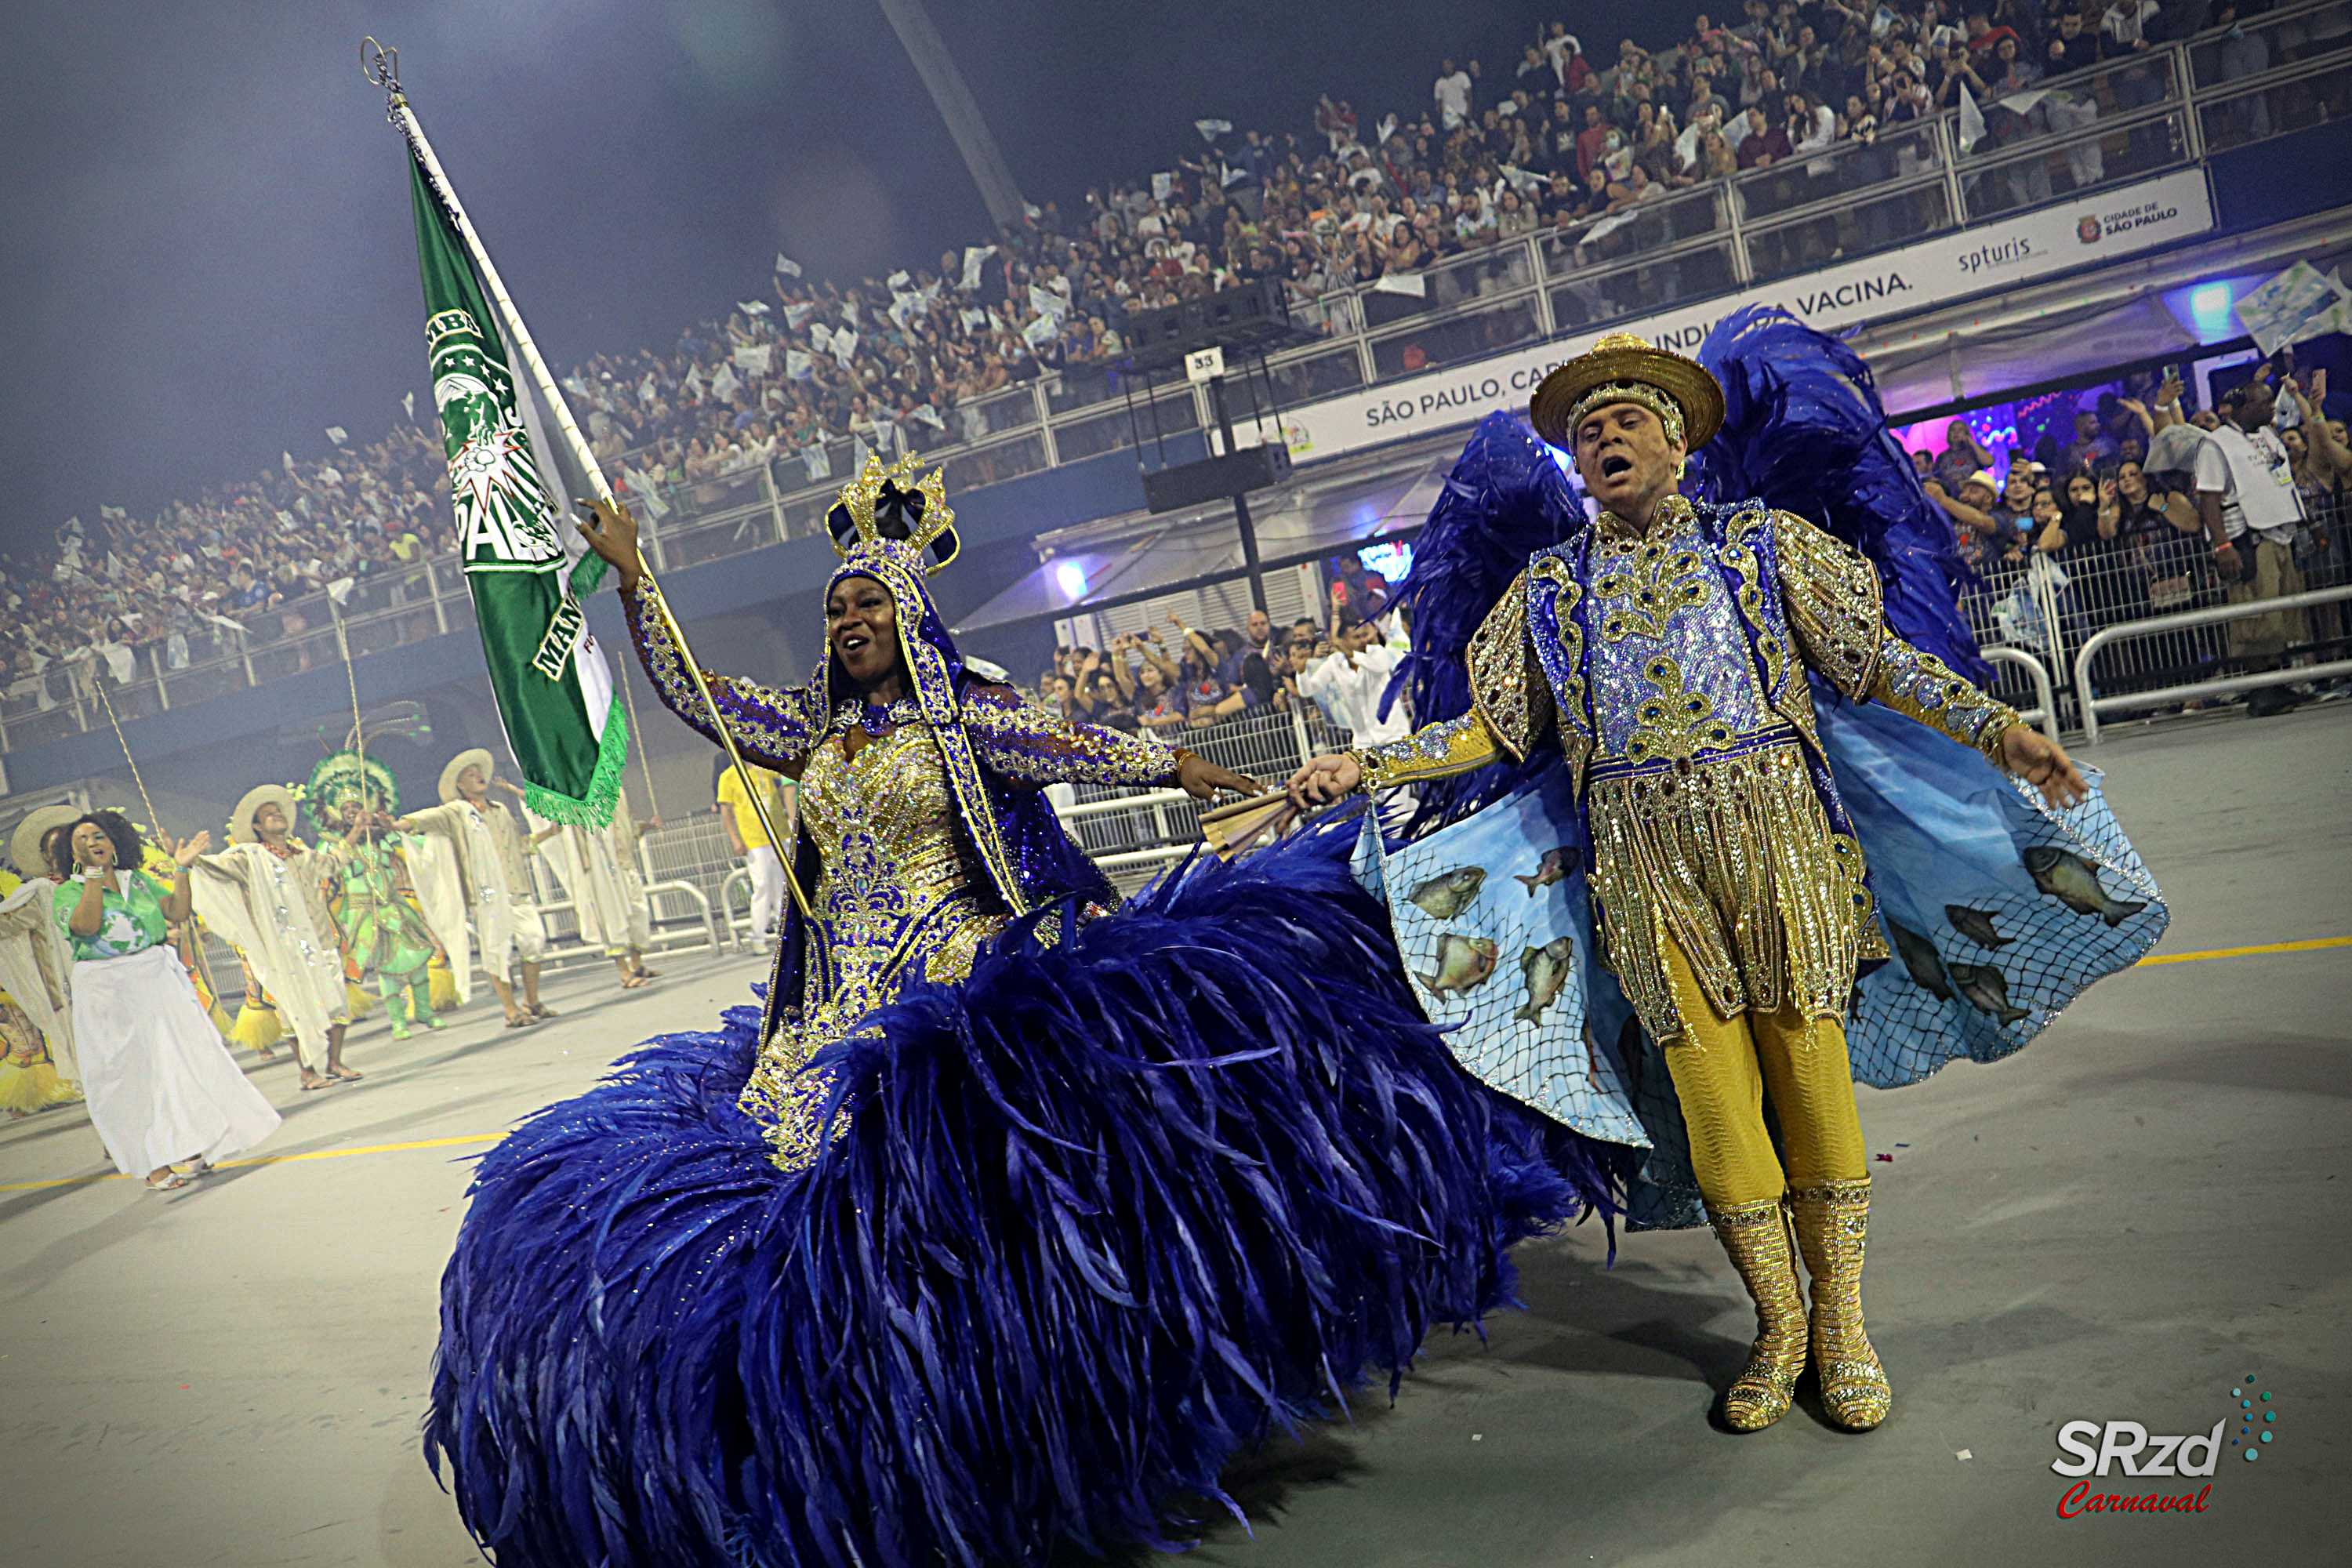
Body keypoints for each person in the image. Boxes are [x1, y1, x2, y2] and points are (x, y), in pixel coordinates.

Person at [429, 453, 1624, 1565]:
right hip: (830, 995)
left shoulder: (968, 722)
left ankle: (1031, 1393)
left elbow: (1080, 744)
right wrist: (639, 584)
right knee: (797, 1190)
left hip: (950, 973)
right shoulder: (809, 735)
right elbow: (702, 698)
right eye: (837, 611)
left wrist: (1184, 765)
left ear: (911, 625)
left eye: (870, 610)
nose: (850, 626)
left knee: (951, 1180)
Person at [1289, 318, 2165, 1436]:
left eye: (1626, 423)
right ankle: (1778, 1324)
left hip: (1782, 840)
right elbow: (1488, 733)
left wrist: (2003, 734)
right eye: (1587, 431)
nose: (1605, 440)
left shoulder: (1761, 547)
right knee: (1711, 1104)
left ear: (1677, 444)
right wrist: (1359, 762)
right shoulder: (1547, 595)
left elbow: (1879, 661)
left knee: (1808, 1078)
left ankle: (1842, 1321)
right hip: (1644, 867)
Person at [51, 811, 280, 1192]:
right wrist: (92, 876)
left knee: (182, 1063)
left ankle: (194, 1146)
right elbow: (87, 928)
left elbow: (177, 911)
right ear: (72, 853)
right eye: (82, 840)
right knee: (125, 1075)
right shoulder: (68, 892)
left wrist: (181, 869)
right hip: (107, 988)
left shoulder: (137, 882)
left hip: (155, 978)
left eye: (99, 836)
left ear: (114, 842)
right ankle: (151, 1166)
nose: (93, 843)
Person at [189, 784, 357, 1091]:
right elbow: (220, 869)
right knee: (292, 1008)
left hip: (320, 941)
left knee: (338, 1003)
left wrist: (356, 831)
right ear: (256, 827)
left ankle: (334, 1062)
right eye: (268, 815)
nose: (277, 816)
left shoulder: (302, 855)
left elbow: (333, 863)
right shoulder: (250, 858)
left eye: (278, 812)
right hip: (283, 948)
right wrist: (193, 861)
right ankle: (307, 1073)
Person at [400, 750, 551, 1027]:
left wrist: (548, 834)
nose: (478, 777)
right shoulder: (458, 813)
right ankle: (510, 1010)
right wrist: (397, 824)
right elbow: (425, 818)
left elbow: (519, 845)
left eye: (478, 772)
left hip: (516, 889)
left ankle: (532, 1001)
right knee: (495, 951)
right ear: (460, 785)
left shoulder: (501, 811)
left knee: (535, 941)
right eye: (470, 775)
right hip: (487, 896)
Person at [307, 752, 451, 1040]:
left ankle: (424, 1011)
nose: (351, 811)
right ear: (336, 812)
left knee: (419, 959)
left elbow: (422, 845)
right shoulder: (332, 844)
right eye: (346, 808)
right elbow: (320, 870)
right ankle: (398, 1022)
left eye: (356, 806)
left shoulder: (383, 837)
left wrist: (391, 827)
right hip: (363, 914)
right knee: (388, 969)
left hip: (396, 906)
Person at [2202, 378, 2310, 716]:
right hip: (2248, 538)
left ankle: (2278, 684)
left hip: (2280, 530)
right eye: (2264, 403)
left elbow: (2282, 478)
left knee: (2281, 614)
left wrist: (2309, 521)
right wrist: (2222, 546)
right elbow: (2208, 498)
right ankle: (2260, 688)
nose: (2271, 409)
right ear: (2245, 407)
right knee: (2256, 616)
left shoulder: (2266, 435)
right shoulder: (2216, 443)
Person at [532, 787, 660, 990]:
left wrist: (646, 826)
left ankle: (637, 965)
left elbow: (625, 827)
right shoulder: (580, 794)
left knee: (639, 914)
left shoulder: (618, 791)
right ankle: (623, 972)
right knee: (611, 920)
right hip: (603, 872)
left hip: (626, 864)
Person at [716, 756, 792, 943]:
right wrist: (735, 840)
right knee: (762, 886)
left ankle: (787, 931)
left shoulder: (763, 768)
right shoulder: (728, 777)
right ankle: (758, 935)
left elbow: (784, 778)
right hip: (755, 841)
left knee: (782, 885)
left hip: (779, 835)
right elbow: (726, 814)